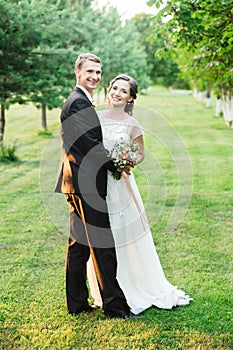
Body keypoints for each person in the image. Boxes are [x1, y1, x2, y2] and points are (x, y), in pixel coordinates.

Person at [87, 74, 192, 315]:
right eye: (114, 88)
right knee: (102, 234)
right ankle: (106, 288)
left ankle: (131, 286)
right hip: (98, 184)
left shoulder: (132, 124)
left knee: (124, 234)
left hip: (121, 184)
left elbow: (140, 154)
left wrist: (127, 161)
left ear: (131, 98)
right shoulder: (97, 118)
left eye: (123, 91)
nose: (116, 93)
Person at [54, 54, 135, 319]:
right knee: (102, 243)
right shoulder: (77, 102)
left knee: (79, 244)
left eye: (98, 72)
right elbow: (90, 143)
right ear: (77, 72)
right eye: (89, 71)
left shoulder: (81, 100)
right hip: (85, 183)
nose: (95, 77)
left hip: (75, 181)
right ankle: (114, 306)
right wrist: (118, 165)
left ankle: (76, 303)